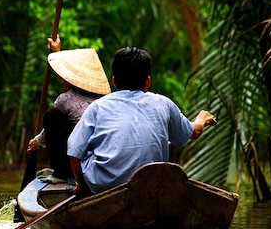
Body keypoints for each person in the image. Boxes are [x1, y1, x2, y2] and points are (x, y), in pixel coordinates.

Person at [66, 46, 217, 195]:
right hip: (152, 184)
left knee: (87, 150)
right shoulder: (163, 103)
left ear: (114, 81)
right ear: (147, 82)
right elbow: (194, 132)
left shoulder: (98, 106)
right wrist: (202, 119)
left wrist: (82, 187)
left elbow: (74, 149)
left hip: (104, 187)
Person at [27, 35, 110, 181]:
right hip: (104, 160)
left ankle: (60, 173)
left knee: (51, 116)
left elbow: (50, 131)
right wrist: (56, 52)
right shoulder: (106, 100)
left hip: (77, 162)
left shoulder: (65, 99)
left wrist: (36, 142)